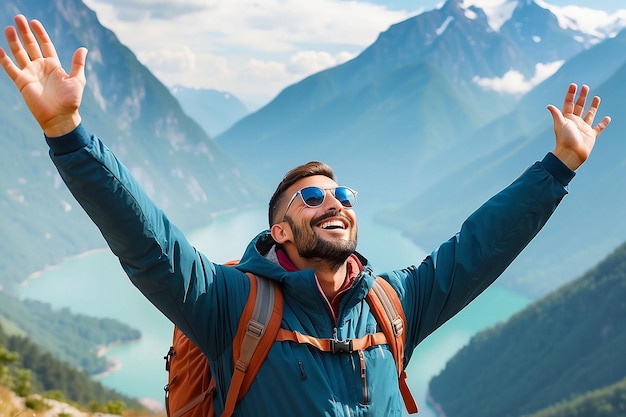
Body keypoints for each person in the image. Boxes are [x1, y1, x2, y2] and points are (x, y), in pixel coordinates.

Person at [0, 14, 612, 417]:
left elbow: (481, 244)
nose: (335, 202)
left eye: (342, 194)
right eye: (312, 197)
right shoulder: (228, 306)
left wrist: (557, 168)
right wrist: (68, 133)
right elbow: (146, 238)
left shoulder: (393, 306)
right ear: (280, 232)